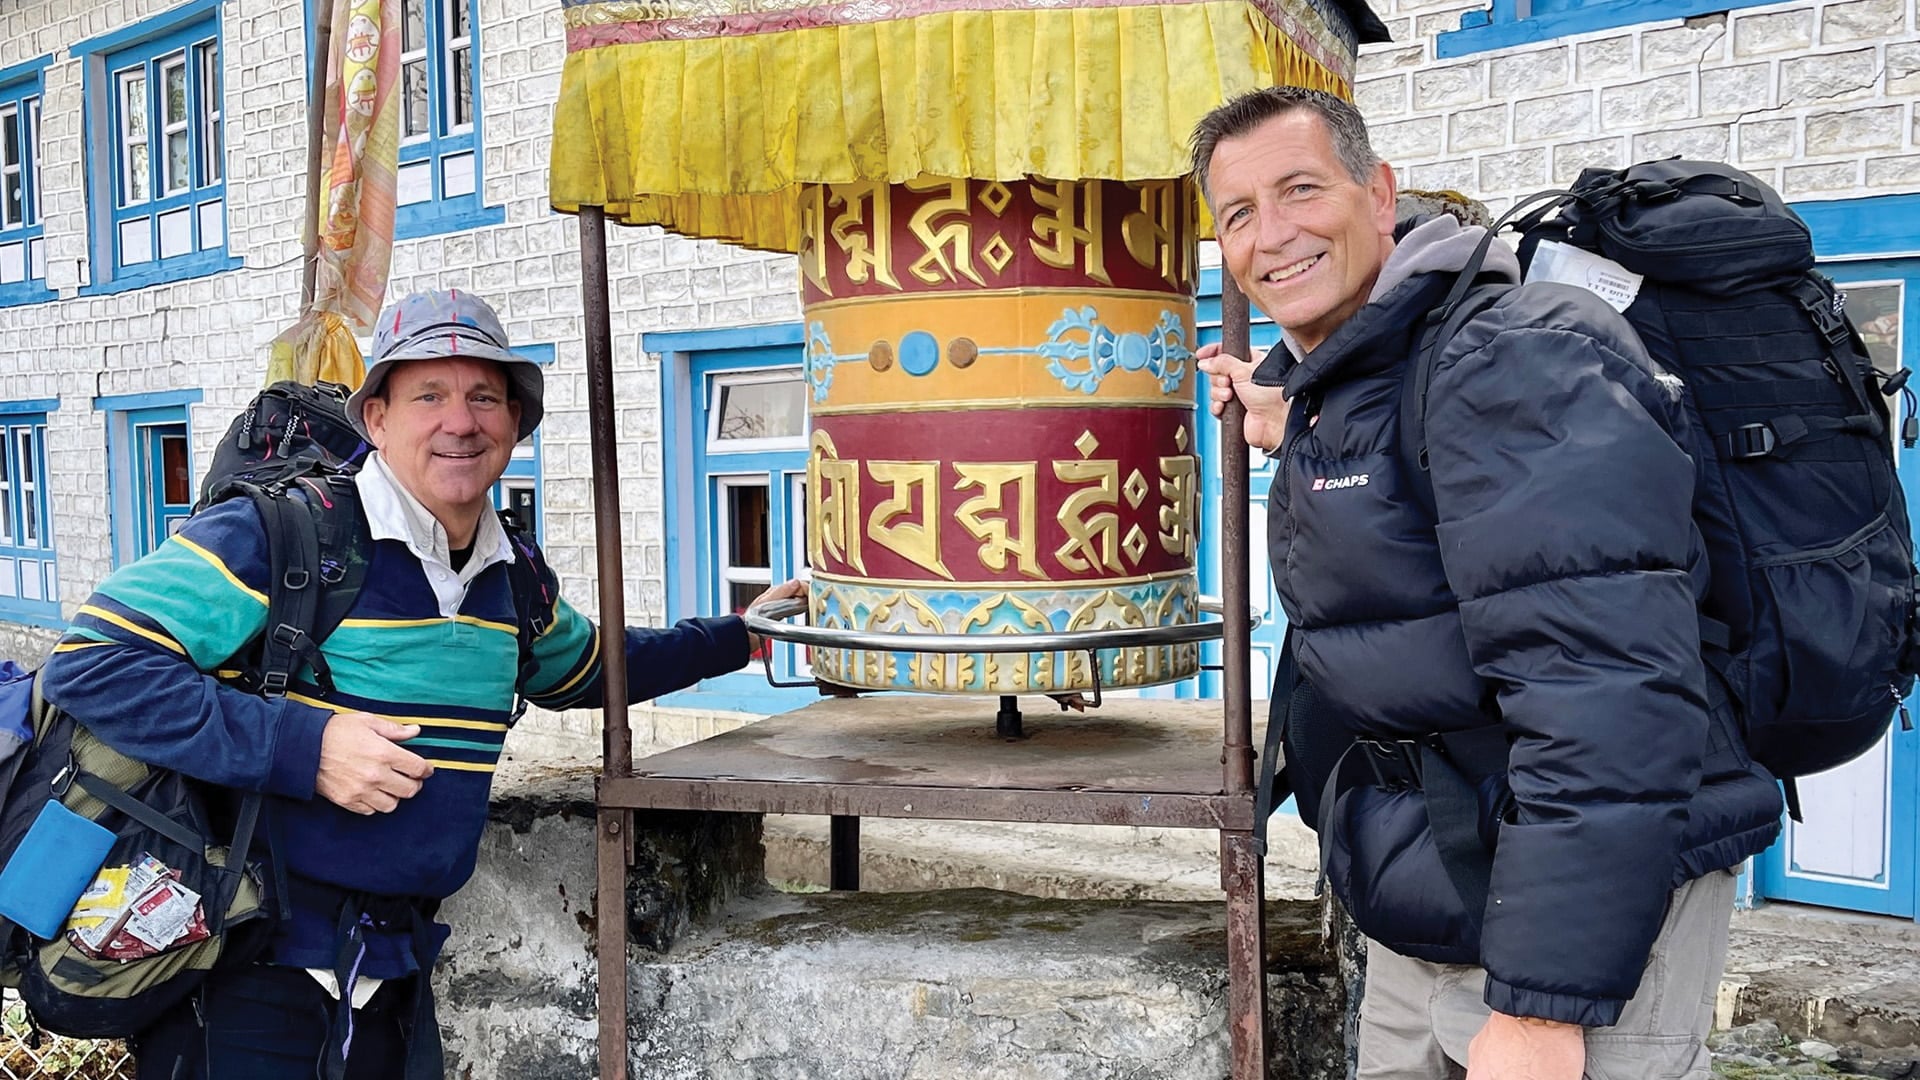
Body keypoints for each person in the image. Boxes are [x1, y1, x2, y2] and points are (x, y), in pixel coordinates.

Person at [40, 289, 805, 1079]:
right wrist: (308, 745)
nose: (460, 422)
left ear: (516, 422)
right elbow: (93, 663)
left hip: (397, 976)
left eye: (484, 397)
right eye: (428, 396)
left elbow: (590, 669)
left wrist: (742, 633)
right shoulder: (286, 535)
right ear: (376, 419)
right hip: (245, 979)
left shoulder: (511, 577)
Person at [1191, 87, 1782, 1080]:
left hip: (1573, 923)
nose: (1273, 234)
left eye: (1300, 189)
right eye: (1238, 213)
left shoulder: (1515, 360)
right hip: (1435, 888)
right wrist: (1285, 416)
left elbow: (1608, 691)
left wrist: (1546, 1004)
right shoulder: (1350, 379)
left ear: (1378, 196)